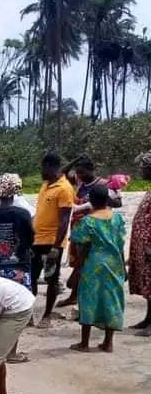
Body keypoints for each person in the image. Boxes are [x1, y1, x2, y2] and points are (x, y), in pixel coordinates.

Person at [0, 173, 35, 363]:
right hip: (19, 267)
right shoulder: (22, 214)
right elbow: (30, 239)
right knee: (15, 311)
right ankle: (11, 353)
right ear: (15, 193)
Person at [68, 183, 126, 353]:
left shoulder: (88, 222)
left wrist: (76, 270)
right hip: (114, 264)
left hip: (93, 265)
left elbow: (83, 248)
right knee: (112, 300)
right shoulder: (117, 219)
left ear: (91, 200)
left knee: (88, 300)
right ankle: (108, 343)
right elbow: (120, 245)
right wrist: (124, 267)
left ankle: (84, 343)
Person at [58, 157, 122, 308]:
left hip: (97, 229)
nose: (79, 175)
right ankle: (74, 297)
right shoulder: (80, 182)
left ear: (91, 169)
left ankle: (83, 299)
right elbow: (62, 173)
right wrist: (75, 161)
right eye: (78, 173)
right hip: (79, 228)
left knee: (86, 263)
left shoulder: (103, 184)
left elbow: (119, 202)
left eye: (82, 172)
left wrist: (100, 200)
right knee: (77, 263)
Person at [31, 152, 75, 327]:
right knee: (31, 277)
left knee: (51, 278)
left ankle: (47, 315)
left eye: (42, 168)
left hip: (52, 242)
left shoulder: (64, 189)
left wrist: (56, 247)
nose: (40, 172)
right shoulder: (45, 184)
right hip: (36, 240)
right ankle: (28, 314)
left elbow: (65, 219)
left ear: (49, 167)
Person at [128, 151, 151, 334]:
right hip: (143, 246)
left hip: (149, 246)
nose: (141, 171)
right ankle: (148, 319)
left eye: (143, 167)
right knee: (146, 283)